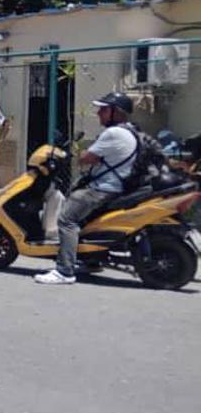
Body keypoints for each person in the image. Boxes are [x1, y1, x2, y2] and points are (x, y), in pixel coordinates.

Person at [35, 93, 139, 285]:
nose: (99, 113)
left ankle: (64, 270)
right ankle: (91, 260)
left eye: (104, 110)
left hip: (103, 188)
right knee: (83, 221)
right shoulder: (131, 131)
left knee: (66, 220)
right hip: (116, 187)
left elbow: (86, 158)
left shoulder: (113, 133)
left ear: (116, 112)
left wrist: (81, 153)